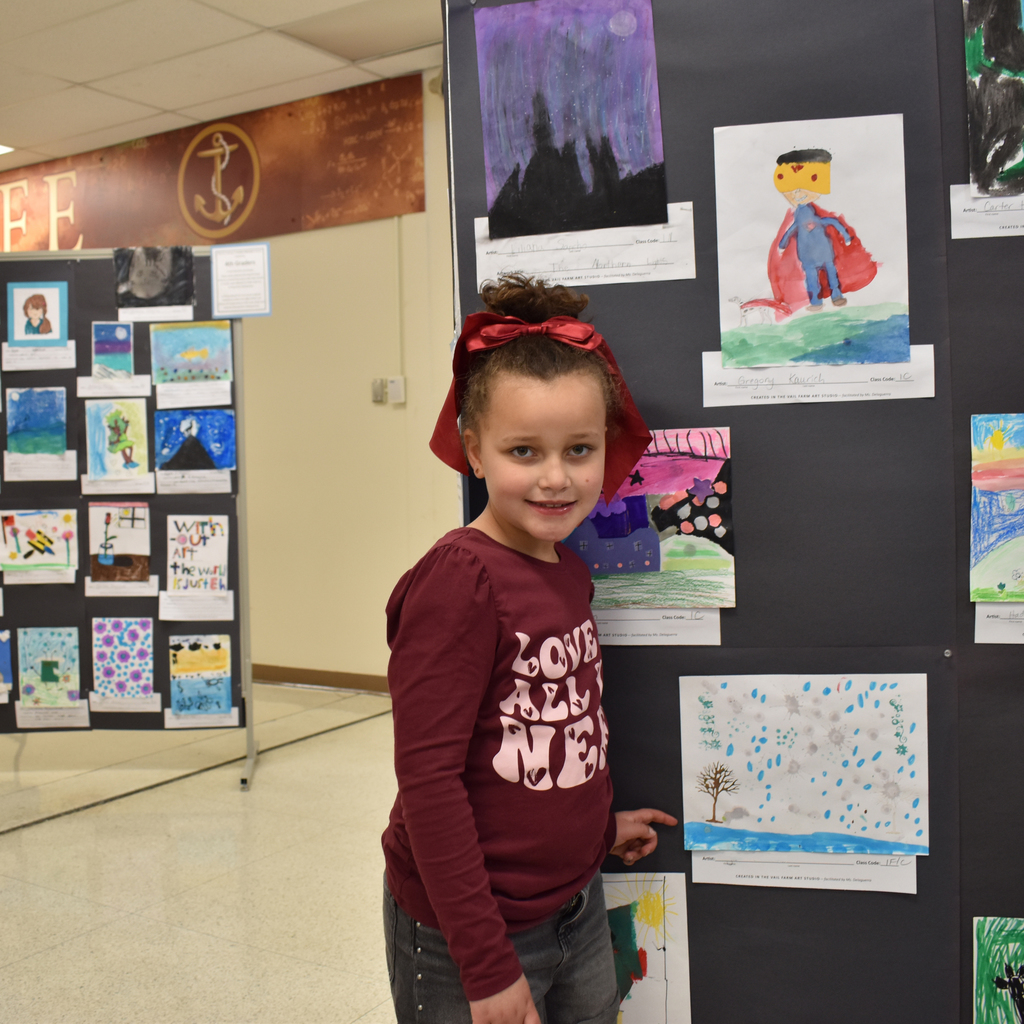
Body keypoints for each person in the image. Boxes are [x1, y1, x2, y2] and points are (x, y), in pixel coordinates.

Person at [382, 273, 678, 1024]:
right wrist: (484, 967)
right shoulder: (460, 581)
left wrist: (595, 830)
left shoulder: (567, 570)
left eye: (579, 449)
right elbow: (430, 781)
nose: (556, 478)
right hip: (468, 939)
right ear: (474, 451)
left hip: (574, 909)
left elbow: (545, 736)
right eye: (524, 451)